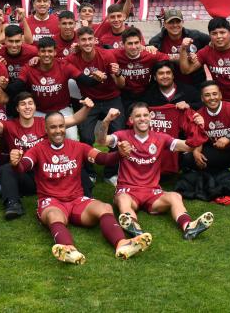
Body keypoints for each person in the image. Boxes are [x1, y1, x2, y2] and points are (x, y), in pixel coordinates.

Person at [10, 112, 152, 264]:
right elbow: (25, 165)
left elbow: (102, 159)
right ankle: (69, 250)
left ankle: (122, 245)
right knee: (54, 216)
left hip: (77, 200)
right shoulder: (38, 149)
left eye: (61, 126)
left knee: (104, 207)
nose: (58, 130)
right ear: (45, 129)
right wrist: (16, 163)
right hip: (51, 201)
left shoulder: (77, 146)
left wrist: (119, 154)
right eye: (53, 127)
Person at [95, 104, 215, 240]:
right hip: (128, 190)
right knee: (122, 199)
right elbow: (100, 140)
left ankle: (189, 227)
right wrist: (106, 120)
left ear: (151, 117)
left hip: (152, 192)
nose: (142, 119)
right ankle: (136, 230)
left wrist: (199, 126)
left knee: (175, 196)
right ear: (131, 120)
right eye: (138, 116)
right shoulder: (122, 135)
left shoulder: (161, 138)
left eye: (145, 115)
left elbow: (188, 146)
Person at [0, 92, 93, 219]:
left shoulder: (46, 123)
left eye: (30, 103)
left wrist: (87, 107)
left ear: (34, 107)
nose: (27, 107)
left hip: (49, 175)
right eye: (23, 104)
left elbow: (75, 119)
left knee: (72, 163)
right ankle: (13, 204)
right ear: (17, 108)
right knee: (6, 169)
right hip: (25, 176)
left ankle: (87, 199)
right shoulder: (9, 125)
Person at [183, 81, 230, 208]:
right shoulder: (199, 114)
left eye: (215, 94)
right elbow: (199, 137)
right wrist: (197, 152)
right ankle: (214, 180)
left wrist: (229, 138)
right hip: (217, 151)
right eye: (207, 95)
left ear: (220, 95)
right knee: (188, 157)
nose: (212, 98)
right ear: (202, 98)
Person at [69, 26, 125, 184]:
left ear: (95, 40)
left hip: (111, 99)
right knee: (86, 137)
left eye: (89, 39)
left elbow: (120, 84)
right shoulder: (73, 59)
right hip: (89, 102)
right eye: (83, 40)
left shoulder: (107, 55)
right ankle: (90, 172)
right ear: (78, 42)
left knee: (117, 135)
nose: (87, 43)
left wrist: (118, 73)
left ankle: (110, 173)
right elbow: (59, 64)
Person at [179, 17, 230, 108]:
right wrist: (182, 49)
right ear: (209, 35)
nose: (219, 37)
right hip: (220, 103)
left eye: (222, 32)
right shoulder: (206, 51)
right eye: (214, 33)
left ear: (229, 34)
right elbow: (186, 70)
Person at [148, 9, 210, 90]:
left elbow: (213, 42)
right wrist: (147, 47)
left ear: (182, 22)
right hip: (170, 87)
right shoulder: (156, 41)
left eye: (178, 22)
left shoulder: (196, 36)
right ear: (165, 24)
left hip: (196, 85)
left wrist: (199, 56)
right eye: (171, 22)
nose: (175, 25)